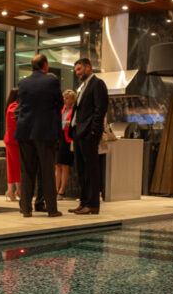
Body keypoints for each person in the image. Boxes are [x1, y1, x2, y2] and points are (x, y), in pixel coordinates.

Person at [16, 53, 63, 218]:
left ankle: (26, 209)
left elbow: (22, 106)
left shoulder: (22, 83)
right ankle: (51, 209)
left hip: (24, 131)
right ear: (46, 65)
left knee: (27, 171)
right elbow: (60, 103)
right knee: (47, 170)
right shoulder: (51, 81)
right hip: (45, 131)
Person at [69, 57, 109, 215]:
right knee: (81, 170)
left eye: (79, 69)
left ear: (88, 67)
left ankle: (92, 204)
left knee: (91, 170)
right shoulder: (82, 86)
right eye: (76, 70)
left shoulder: (97, 84)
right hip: (78, 133)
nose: (77, 73)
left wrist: (94, 131)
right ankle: (84, 202)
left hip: (88, 134)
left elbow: (100, 109)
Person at [56, 88, 75, 199]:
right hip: (59, 139)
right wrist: (65, 123)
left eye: (67, 98)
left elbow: (72, 123)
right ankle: (55, 189)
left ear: (73, 99)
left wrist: (65, 123)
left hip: (68, 139)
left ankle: (62, 190)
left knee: (64, 165)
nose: (64, 99)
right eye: (64, 97)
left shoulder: (74, 110)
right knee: (57, 165)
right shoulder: (62, 109)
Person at [2, 88, 19, 201]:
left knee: (12, 166)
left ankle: (11, 191)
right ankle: (14, 191)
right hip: (14, 141)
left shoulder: (10, 106)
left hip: (11, 140)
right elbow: (13, 125)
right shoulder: (14, 107)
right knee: (16, 166)